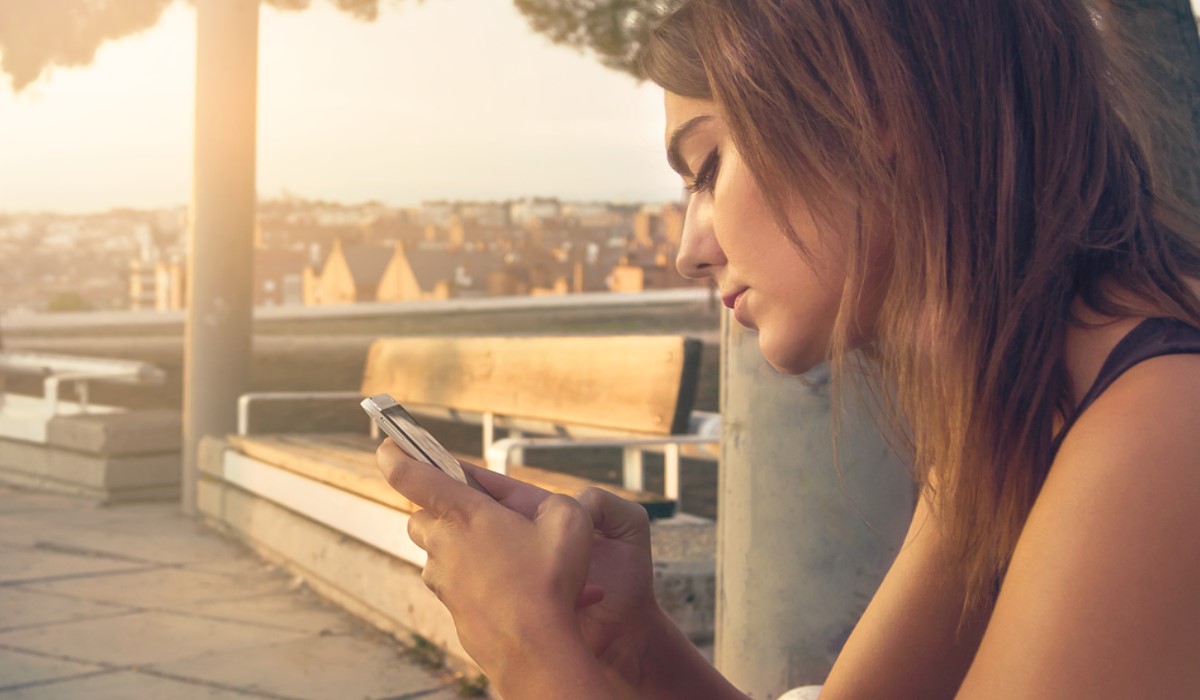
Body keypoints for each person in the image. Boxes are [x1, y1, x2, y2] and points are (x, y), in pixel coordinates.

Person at [376, 1, 1200, 697]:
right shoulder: (1013, 409)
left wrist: (531, 652)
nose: (688, 250)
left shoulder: (1164, 434)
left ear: (871, 112)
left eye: (706, 168)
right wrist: (633, 641)